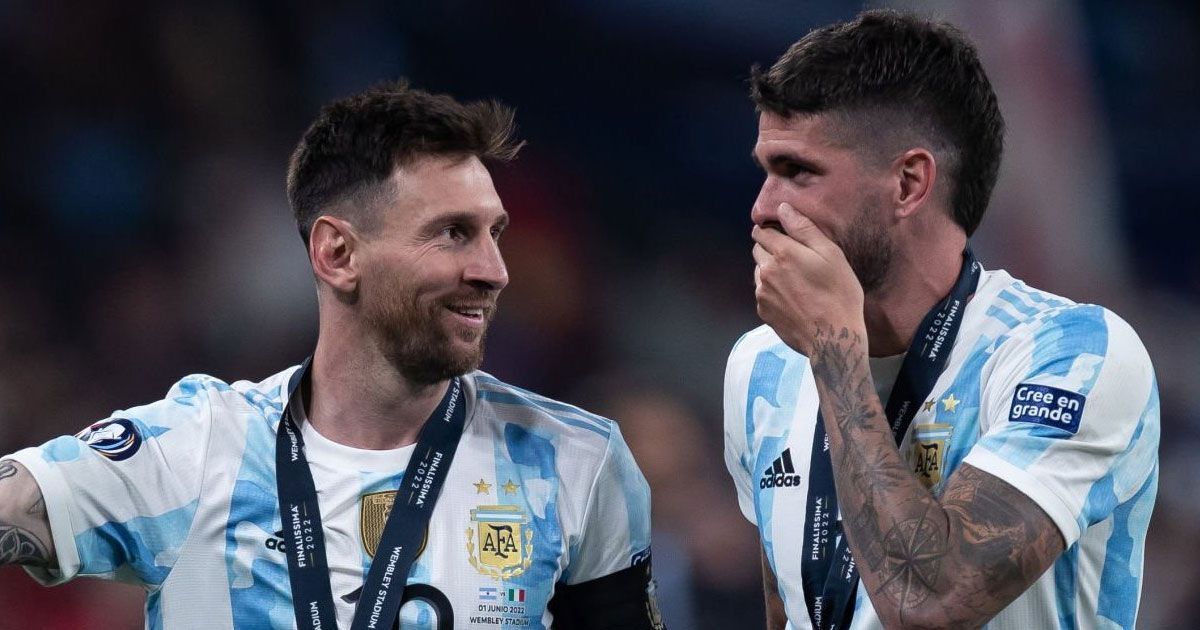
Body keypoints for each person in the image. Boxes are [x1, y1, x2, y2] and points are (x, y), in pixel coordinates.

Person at [0, 81, 663, 630]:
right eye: (453, 234)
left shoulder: (577, 462)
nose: (495, 270)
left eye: (495, 233)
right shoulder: (199, 447)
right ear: (338, 255)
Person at [723, 10, 1158, 630]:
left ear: (908, 183)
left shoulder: (1073, 355)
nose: (762, 208)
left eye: (797, 172)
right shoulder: (760, 367)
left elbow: (928, 602)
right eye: (765, 171)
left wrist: (832, 350)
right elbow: (791, 608)